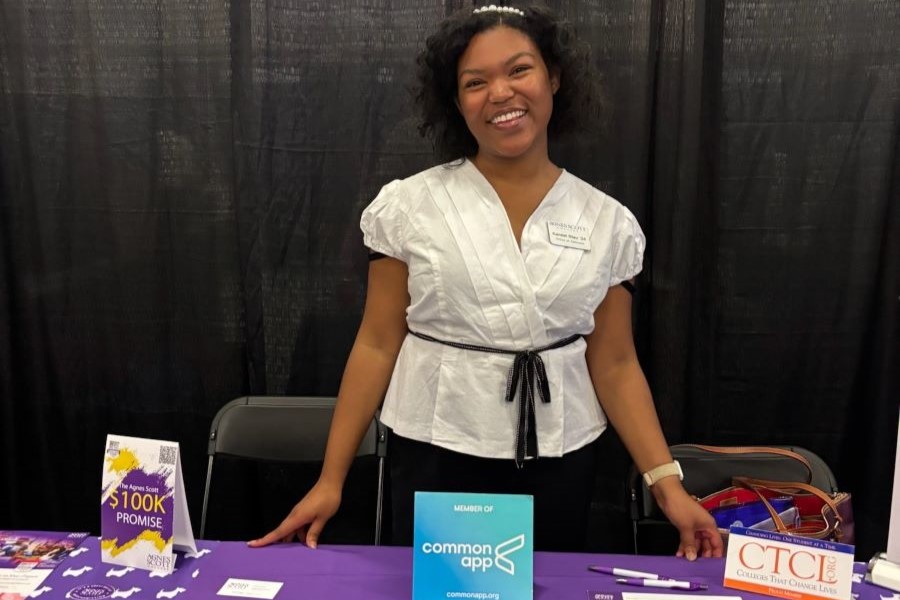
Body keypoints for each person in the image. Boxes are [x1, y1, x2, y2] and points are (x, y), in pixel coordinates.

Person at [250, 3, 724, 558]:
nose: (500, 93)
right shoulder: (411, 206)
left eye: (518, 70)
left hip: (562, 457)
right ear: (456, 102)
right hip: (437, 449)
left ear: (554, 78)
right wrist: (331, 481)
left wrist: (666, 484)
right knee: (451, 595)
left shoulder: (607, 222)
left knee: (546, 592)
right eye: (476, 82)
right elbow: (378, 343)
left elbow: (615, 362)